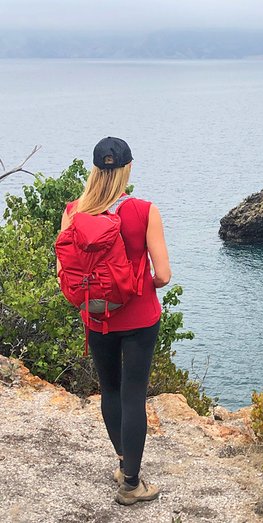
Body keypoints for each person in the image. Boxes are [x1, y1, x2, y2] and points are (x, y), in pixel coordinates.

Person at [57, 137, 171, 505]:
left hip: (96, 316)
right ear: (128, 169)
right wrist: (142, 282)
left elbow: (63, 270)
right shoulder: (143, 210)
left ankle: (123, 463)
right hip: (139, 318)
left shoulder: (73, 212)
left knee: (110, 389)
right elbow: (164, 275)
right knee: (133, 394)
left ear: (95, 169)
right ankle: (131, 484)